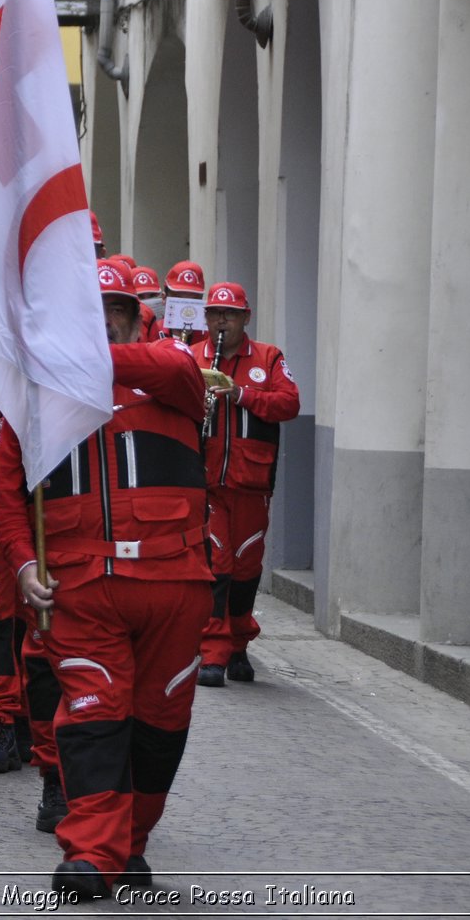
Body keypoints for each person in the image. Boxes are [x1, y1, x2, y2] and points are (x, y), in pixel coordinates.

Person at [0, 259, 213, 900]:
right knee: (92, 714)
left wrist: (70, 357)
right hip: (82, 589)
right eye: (89, 311)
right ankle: (91, 852)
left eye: (113, 311)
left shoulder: (171, 374)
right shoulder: (35, 400)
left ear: (134, 316)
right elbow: (6, 494)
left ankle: (131, 845)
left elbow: (176, 368)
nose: (102, 322)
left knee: (159, 726)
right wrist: (24, 565)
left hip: (175, 584)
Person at [192, 282, 301, 688]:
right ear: (205, 318)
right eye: (215, 314)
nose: (222, 321)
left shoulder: (268, 357)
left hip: (252, 483)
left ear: (245, 318)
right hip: (207, 482)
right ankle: (214, 654)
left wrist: (240, 394)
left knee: (245, 568)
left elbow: (289, 403)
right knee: (217, 565)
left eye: (230, 314)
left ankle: (239, 644)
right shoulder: (191, 356)